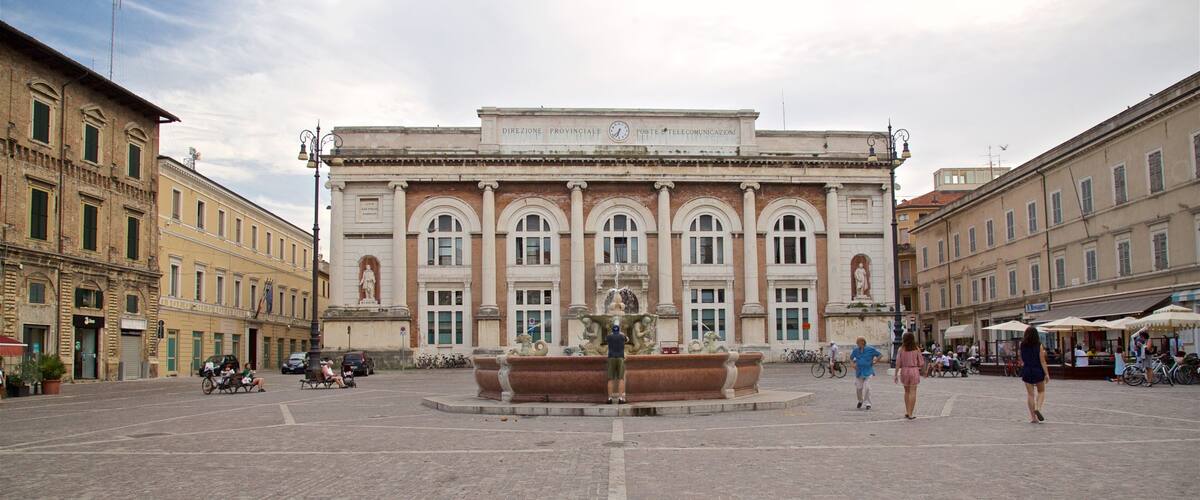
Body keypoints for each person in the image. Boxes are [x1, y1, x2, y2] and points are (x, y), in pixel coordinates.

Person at [1020, 326, 1050, 423]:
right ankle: (1038, 408)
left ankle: (1033, 418)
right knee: (1041, 391)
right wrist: (1047, 374)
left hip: (1027, 370)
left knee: (1030, 394)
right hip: (1037, 370)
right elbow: (1042, 361)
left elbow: (1022, 359)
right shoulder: (1039, 345)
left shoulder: (1022, 345)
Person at [894, 332, 925, 420]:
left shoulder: (901, 349)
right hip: (914, 370)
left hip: (904, 370)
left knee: (906, 392)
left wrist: (896, 374)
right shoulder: (916, 349)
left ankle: (907, 411)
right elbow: (921, 362)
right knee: (913, 392)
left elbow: (898, 363)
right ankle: (911, 413)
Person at [849, 337, 881, 410]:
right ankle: (860, 400)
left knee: (867, 387)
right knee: (858, 388)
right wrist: (852, 364)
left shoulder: (870, 349)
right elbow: (851, 358)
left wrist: (875, 361)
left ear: (863, 342)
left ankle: (868, 403)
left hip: (868, 371)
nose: (857, 344)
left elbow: (879, 355)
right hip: (859, 371)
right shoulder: (855, 350)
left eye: (858, 342)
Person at [606, 325, 628, 404]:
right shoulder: (622, 337)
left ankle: (609, 399)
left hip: (611, 358)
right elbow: (627, 339)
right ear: (619, 330)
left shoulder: (609, 337)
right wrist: (622, 334)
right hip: (620, 358)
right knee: (621, 378)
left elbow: (605, 341)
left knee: (610, 379)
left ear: (612, 331)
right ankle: (620, 398)